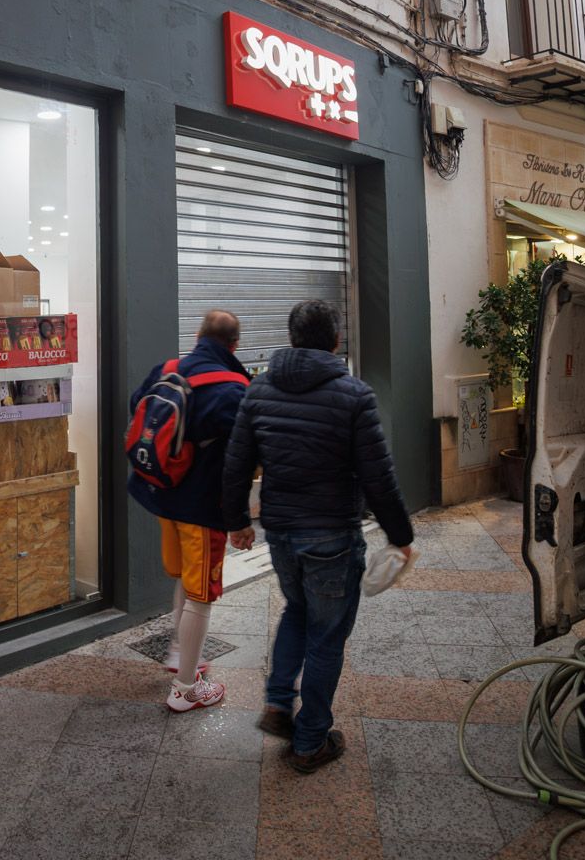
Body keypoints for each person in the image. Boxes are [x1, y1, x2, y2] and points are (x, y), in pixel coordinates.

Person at [221, 299, 413, 772]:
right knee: (326, 636)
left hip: (281, 534)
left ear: (291, 338)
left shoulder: (259, 389)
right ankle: (310, 742)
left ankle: (279, 702)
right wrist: (401, 535)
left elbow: (236, 463)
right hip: (331, 536)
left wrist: (237, 521)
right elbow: (379, 476)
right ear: (335, 341)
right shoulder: (354, 395)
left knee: (298, 611)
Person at [127, 310, 251, 713]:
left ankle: (184, 656)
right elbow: (240, 461)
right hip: (202, 508)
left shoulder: (167, 369)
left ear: (198, 335)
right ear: (234, 345)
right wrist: (239, 520)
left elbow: (137, 408)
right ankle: (185, 690)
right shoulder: (234, 387)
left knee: (184, 578)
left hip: (162, 495)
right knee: (203, 594)